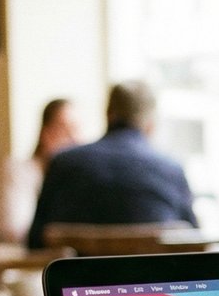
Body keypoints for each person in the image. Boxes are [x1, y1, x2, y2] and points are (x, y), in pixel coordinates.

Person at [26, 81, 196, 249]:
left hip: (83, 276)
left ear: (108, 114)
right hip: (154, 275)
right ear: (151, 124)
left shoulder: (62, 163)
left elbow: (34, 241)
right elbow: (194, 242)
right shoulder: (172, 170)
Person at [0, 98, 82, 243]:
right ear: (45, 133)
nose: (74, 138)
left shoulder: (79, 176)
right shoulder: (20, 171)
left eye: (76, 129)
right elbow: (15, 228)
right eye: (64, 128)